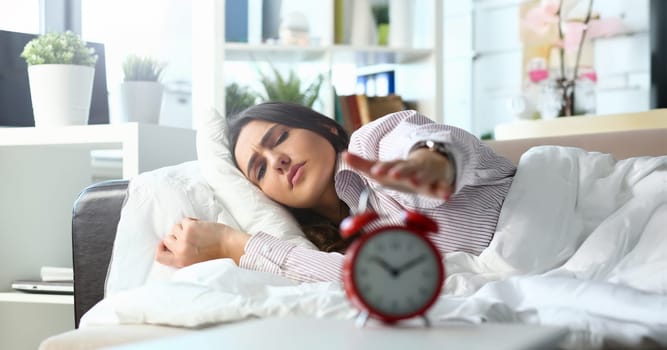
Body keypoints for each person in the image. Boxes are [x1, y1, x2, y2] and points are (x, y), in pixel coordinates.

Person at [155, 102, 516, 282]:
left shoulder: (373, 145)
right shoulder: (328, 244)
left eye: (279, 139)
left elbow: (426, 142)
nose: (277, 160)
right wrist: (228, 246)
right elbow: (353, 279)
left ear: (325, 127)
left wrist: (430, 163)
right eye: (260, 169)